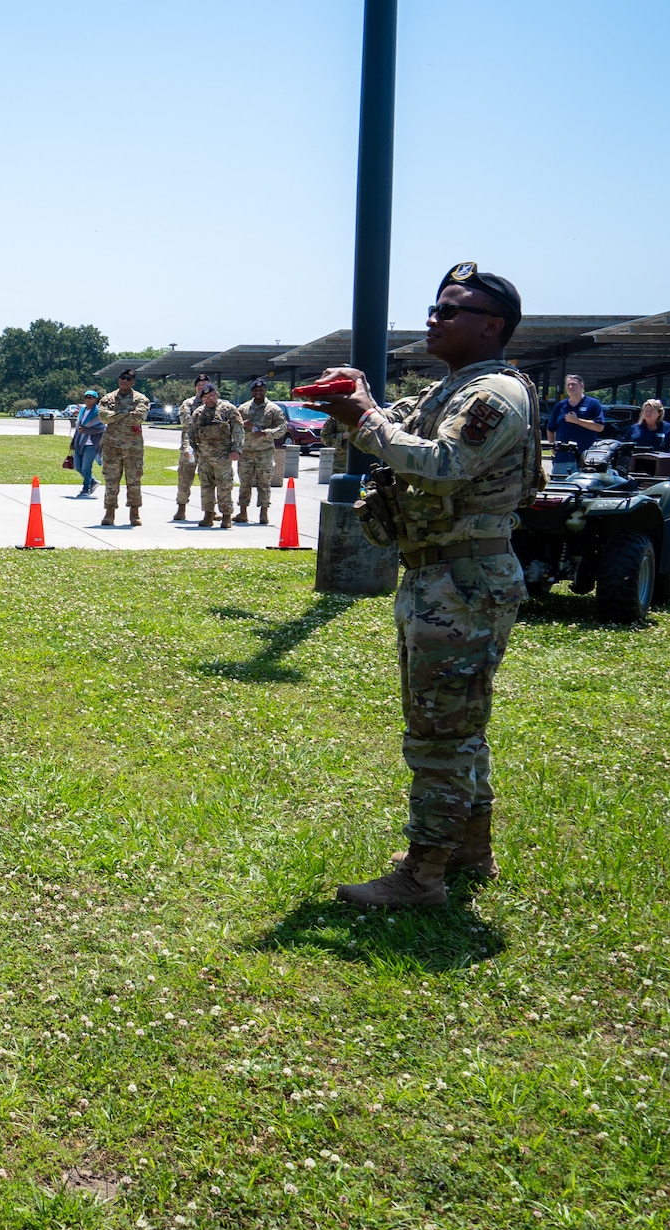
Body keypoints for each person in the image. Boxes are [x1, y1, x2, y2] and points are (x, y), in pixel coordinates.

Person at [318, 261, 541, 908]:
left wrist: (366, 417)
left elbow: (441, 467)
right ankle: (469, 850)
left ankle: (422, 876)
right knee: (455, 721)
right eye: (435, 307)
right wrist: (350, 406)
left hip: (463, 578)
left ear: (490, 326)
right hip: (439, 572)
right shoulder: (453, 388)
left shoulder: (494, 395)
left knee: (439, 731)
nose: (434, 319)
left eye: (450, 310)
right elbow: (392, 432)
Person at [188, 384, 244, 528]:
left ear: (216, 394)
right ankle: (208, 515)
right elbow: (192, 434)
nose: (209, 399)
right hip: (204, 457)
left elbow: (238, 430)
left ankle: (226, 516)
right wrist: (193, 450)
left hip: (223, 457)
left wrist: (236, 449)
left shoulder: (228, 410)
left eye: (211, 396)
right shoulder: (198, 413)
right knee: (206, 487)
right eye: (205, 397)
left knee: (224, 487)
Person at [98, 369, 148, 526]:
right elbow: (103, 417)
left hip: (133, 448)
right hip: (112, 447)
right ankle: (109, 512)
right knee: (111, 480)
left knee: (134, 480)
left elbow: (138, 417)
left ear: (133, 382)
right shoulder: (108, 398)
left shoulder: (141, 399)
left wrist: (116, 415)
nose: (124, 381)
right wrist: (126, 413)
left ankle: (134, 513)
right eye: (122, 378)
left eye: (128, 379)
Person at [236, 376, 289, 524]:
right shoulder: (243, 408)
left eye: (261, 390)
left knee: (264, 483)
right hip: (246, 451)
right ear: (252, 391)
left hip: (264, 452)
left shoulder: (273, 409)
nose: (258, 392)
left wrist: (266, 432)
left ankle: (264, 513)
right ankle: (243, 512)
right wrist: (242, 425)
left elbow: (282, 428)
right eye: (255, 390)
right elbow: (233, 427)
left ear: (265, 390)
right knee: (244, 483)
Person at [544, 373, 604, 477]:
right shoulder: (560, 406)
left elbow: (599, 427)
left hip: (585, 458)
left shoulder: (593, 404)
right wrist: (553, 445)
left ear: (582, 386)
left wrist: (577, 421)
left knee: (583, 488)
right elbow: (550, 428)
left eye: (574, 384)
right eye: (568, 385)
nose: (571, 387)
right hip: (562, 458)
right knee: (558, 489)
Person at [175, 373, 211, 521]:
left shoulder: (217, 404)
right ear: (195, 387)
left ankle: (210, 510)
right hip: (190, 446)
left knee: (209, 480)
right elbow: (187, 422)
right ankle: (181, 508)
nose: (202, 388)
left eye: (205, 385)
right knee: (185, 478)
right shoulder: (188, 404)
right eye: (199, 386)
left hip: (210, 448)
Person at [70, 389, 104, 498]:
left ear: (95, 399)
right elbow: (78, 427)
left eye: (91, 397)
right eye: (86, 397)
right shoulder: (82, 410)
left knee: (86, 468)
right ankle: (92, 481)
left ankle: (86, 490)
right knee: (77, 466)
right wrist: (73, 441)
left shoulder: (99, 412)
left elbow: (102, 428)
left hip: (91, 444)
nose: (88, 399)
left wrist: (86, 430)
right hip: (80, 442)